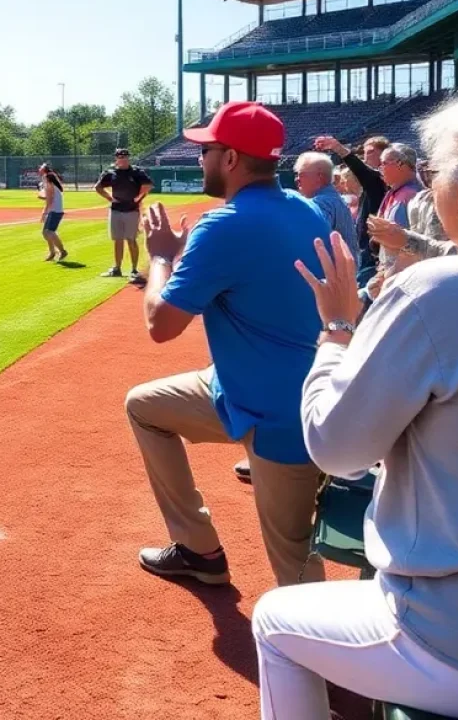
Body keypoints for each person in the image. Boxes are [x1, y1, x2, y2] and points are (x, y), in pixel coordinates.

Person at [253, 88, 458, 720]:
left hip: (456, 637)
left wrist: (336, 329)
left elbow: (337, 448)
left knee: (275, 622)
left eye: (434, 175)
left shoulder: (438, 287)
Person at [126, 102, 330, 587]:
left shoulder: (225, 223)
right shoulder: (306, 209)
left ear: (233, 159)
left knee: (296, 565)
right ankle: (198, 550)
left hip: (281, 415)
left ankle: (319, 661)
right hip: (261, 387)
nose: (200, 159)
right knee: (144, 407)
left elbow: (161, 325)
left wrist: (160, 258)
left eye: (207, 150)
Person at [233, 149, 359, 486]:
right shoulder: (330, 200)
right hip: (332, 294)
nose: (296, 179)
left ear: (319, 177)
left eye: (301, 174)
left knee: (294, 367)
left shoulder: (321, 204)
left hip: (325, 298)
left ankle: (293, 455)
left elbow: (291, 241)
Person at [314, 134, 390, 284]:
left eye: (370, 152)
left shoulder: (377, 181)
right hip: (366, 251)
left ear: (384, 155)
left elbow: (360, 169)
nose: (365, 157)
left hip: (373, 254)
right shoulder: (374, 183)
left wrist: (337, 147)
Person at [94, 148, 153, 286]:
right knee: (118, 240)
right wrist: (110, 198)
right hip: (116, 210)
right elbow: (98, 187)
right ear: (116, 158)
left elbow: (148, 185)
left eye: (125, 157)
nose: (122, 159)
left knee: (131, 240)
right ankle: (117, 268)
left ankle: (134, 269)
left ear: (128, 158)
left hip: (131, 210)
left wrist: (139, 198)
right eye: (120, 157)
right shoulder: (111, 172)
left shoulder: (136, 172)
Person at [38, 163, 68, 262]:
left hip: (55, 210)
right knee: (45, 232)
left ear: (45, 170)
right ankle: (52, 252)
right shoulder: (48, 178)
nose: (39, 168)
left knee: (49, 232)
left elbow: (50, 199)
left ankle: (62, 251)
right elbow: (50, 196)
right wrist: (42, 196)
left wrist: (44, 212)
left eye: (41, 167)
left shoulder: (48, 178)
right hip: (54, 209)